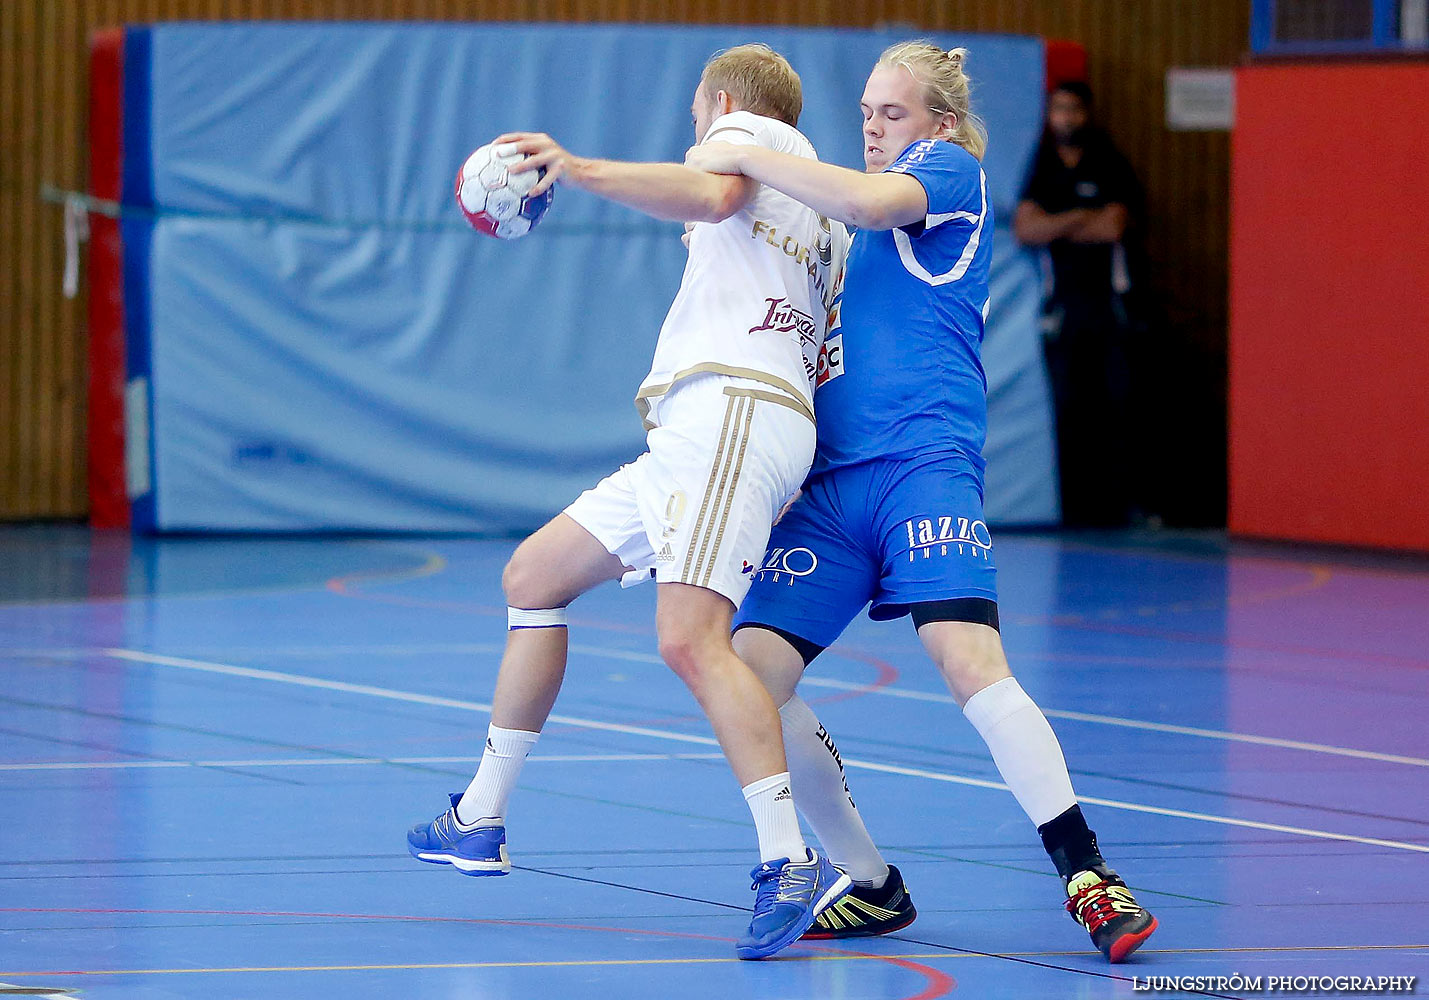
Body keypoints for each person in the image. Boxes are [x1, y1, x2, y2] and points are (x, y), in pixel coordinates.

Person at [685, 42, 1158, 962]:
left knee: (966, 658)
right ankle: (868, 882)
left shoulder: (947, 173)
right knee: (748, 672)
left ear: (938, 124)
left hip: (921, 467)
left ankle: (1087, 874)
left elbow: (864, 198)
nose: (871, 127)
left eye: (890, 113)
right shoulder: (840, 240)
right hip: (829, 488)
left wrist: (738, 144)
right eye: (864, 112)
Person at [405, 44, 851, 961]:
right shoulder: (824, 209)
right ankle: (479, 815)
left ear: (720, 103)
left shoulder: (745, 136)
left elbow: (715, 194)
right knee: (533, 576)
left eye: (696, 119)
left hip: (730, 412)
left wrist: (575, 168)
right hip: (706, 425)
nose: (698, 136)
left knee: (690, 640)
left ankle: (788, 861)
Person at [1014, 81, 1145, 528]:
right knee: (1068, 406)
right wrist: (1076, 218)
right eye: (1058, 110)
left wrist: (1059, 222)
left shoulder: (1109, 162)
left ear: (1088, 113)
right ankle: (1073, 510)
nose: (1066, 118)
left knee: (1116, 402)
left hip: (1110, 307)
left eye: (1074, 109)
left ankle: (1119, 508)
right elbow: (1027, 229)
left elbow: (1111, 228)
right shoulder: (1043, 165)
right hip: (1062, 309)